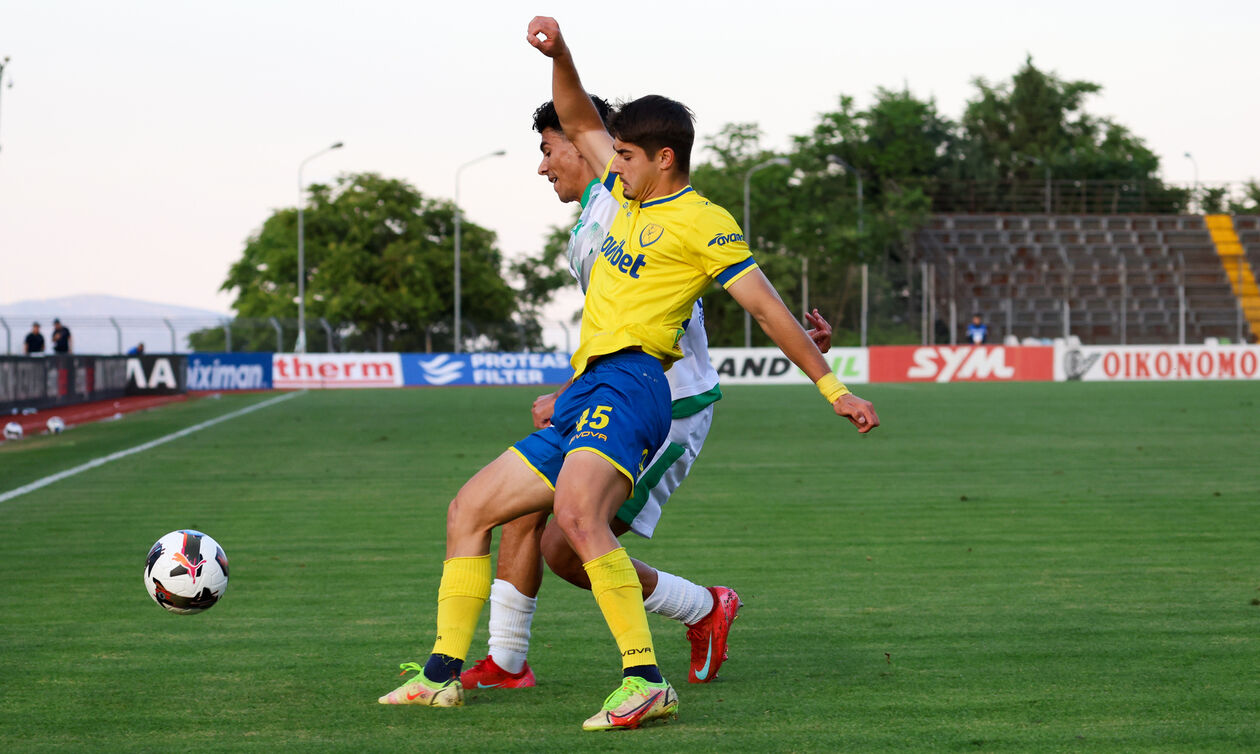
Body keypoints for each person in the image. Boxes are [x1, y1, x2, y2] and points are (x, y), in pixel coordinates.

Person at [378, 16, 879, 731]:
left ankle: (650, 670)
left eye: (619, 153)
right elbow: (578, 113)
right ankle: (446, 674)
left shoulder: (698, 218)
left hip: (652, 390)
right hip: (592, 385)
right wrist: (560, 53)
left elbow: (761, 306)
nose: (603, 161)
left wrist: (832, 384)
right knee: (474, 510)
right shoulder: (616, 199)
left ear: (660, 158)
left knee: (574, 528)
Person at [456, 95, 837, 693]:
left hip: (665, 404)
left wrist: (810, 357)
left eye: (549, 149)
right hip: (607, 390)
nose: (543, 165)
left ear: (584, 144)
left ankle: (700, 609)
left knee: (568, 543)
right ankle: (506, 659)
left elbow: (694, 293)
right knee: (518, 504)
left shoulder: (629, 198)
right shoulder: (599, 212)